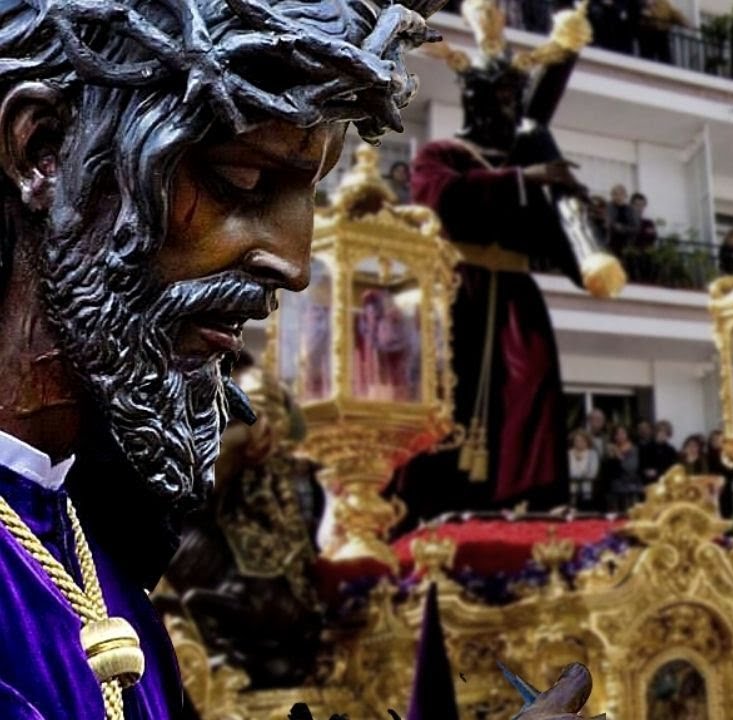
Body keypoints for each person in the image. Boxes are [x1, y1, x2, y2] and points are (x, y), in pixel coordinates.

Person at [0, 0, 428, 716]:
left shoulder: (88, 543)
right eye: (241, 180)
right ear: (44, 149)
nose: (294, 263)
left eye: (307, 195)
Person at [389, 0, 622, 531]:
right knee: (449, 398)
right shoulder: (441, 154)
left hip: (518, 299)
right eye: (500, 97)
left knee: (530, 394)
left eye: (515, 98)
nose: (510, 108)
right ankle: (432, 514)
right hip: (457, 293)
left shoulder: (530, 160)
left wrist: (583, 247)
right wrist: (527, 180)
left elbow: (548, 231)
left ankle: (527, 511)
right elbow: (440, 200)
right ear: (474, 100)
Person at [161, 357, 327, 689]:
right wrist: (237, 439)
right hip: (208, 556)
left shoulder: (297, 476)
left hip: (277, 592)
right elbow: (191, 487)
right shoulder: (189, 427)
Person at [602, 426, 642, 512]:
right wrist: (610, 456)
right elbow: (607, 470)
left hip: (630, 487)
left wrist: (618, 455)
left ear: (627, 435)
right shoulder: (610, 449)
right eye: (617, 434)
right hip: (613, 488)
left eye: (622, 433)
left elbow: (630, 467)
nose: (620, 436)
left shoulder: (633, 449)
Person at [638, 0, 688, 64]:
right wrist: (647, 6)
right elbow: (642, 15)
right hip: (648, 34)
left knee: (665, 58)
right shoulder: (643, 3)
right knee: (648, 58)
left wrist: (684, 22)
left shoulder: (663, 3)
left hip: (661, 34)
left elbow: (674, 14)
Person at [568, 430, 600, 511]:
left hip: (588, 490)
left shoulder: (592, 454)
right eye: (577, 441)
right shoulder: (568, 454)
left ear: (587, 441)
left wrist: (578, 476)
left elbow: (593, 473)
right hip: (571, 489)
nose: (579, 443)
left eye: (582, 440)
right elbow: (569, 472)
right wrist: (581, 475)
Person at [640, 420, 679, 484]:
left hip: (666, 482)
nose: (662, 434)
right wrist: (646, 472)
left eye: (666, 433)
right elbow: (641, 467)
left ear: (668, 435)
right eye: (660, 431)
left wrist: (658, 472)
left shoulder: (671, 450)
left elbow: (673, 468)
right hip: (649, 482)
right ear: (656, 432)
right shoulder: (646, 448)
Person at [607, 183, 639, 254]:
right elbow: (607, 223)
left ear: (625, 195)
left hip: (627, 244)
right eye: (615, 194)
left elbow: (636, 228)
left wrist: (622, 228)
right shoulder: (608, 207)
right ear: (612, 196)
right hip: (610, 244)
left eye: (621, 194)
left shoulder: (631, 209)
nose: (618, 197)